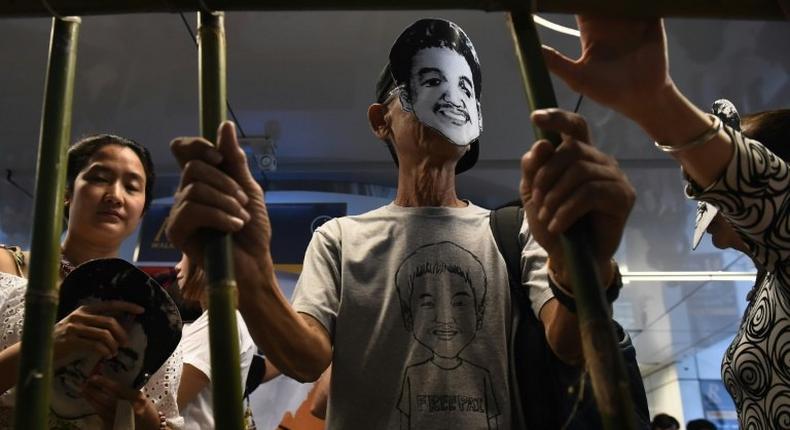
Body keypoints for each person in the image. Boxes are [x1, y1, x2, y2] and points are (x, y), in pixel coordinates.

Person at [166, 18, 634, 429]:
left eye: (466, 88)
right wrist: (251, 275)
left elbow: (568, 344)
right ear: (380, 120)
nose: (452, 96)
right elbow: (305, 358)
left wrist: (583, 262)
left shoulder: (519, 231)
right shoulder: (339, 240)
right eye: (429, 81)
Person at [540, 14, 790, 428]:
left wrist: (657, 102)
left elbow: (761, 189)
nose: (707, 214)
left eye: (716, 186)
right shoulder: (769, 281)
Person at [0, 134, 183, 428]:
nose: (115, 195)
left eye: (132, 187)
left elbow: (161, 415)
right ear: (66, 192)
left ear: (142, 210)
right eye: (99, 178)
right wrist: (45, 347)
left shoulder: (153, 313)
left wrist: (142, 419)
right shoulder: (7, 268)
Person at [173, 254, 257, 430]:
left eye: (185, 256)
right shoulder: (212, 322)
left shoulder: (219, 321)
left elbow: (167, 403)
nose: (177, 267)